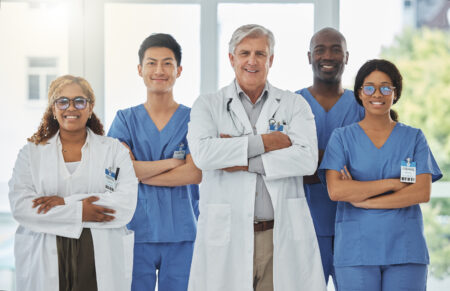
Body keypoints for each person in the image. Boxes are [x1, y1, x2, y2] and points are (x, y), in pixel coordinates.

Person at [187, 24, 326, 291]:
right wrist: (267, 142)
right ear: (232, 59)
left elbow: (306, 159)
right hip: (228, 235)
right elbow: (204, 155)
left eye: (260, 54)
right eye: (244, 53)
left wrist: (242, 159)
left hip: (279, 236)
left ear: (271, 60)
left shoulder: (293, 104)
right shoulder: (208, 105)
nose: (252, 61)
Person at [319, 59, 442, 291]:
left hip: (406, 250)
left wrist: (364, 202)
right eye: (370, 87)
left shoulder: (414, 137)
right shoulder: (342, 138)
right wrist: (393, 184)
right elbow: (336, 191)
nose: (377, 93)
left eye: (386, 87)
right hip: (356, 252)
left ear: (395, 93)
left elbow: (421, 192)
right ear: (360, 93)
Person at [8, 75, 138, 291]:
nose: (71, 108)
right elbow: (22, 208)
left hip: (98, 251)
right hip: (45, 252)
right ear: (53, 108)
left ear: (90, 107)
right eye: (62, 101)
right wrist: (80, 211)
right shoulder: (31, 153)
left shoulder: (113, 150)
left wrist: (62, 204)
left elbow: (124, 206)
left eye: (79, 101)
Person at [107, 33, 202, 291]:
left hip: (182, 233)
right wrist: (172, 163)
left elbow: (194, 174)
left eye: (167, 63)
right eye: (151, 63)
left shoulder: (194, 119)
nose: (159, 70)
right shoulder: (125, 120)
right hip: (135, 231)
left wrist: (137, 172)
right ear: (140, 69)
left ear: (179, 70)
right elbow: (118, 173)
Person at [295, 27, 364, 288]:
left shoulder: (362, 105)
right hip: (304, 227)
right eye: (320, 49)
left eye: (336, 49)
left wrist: (311, 161)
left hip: (354, 226)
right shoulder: (291, 105)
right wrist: (338, 166)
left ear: (346, 57)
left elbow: (367, 167)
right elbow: (285, 163)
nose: (328, 55)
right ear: (309, 56)